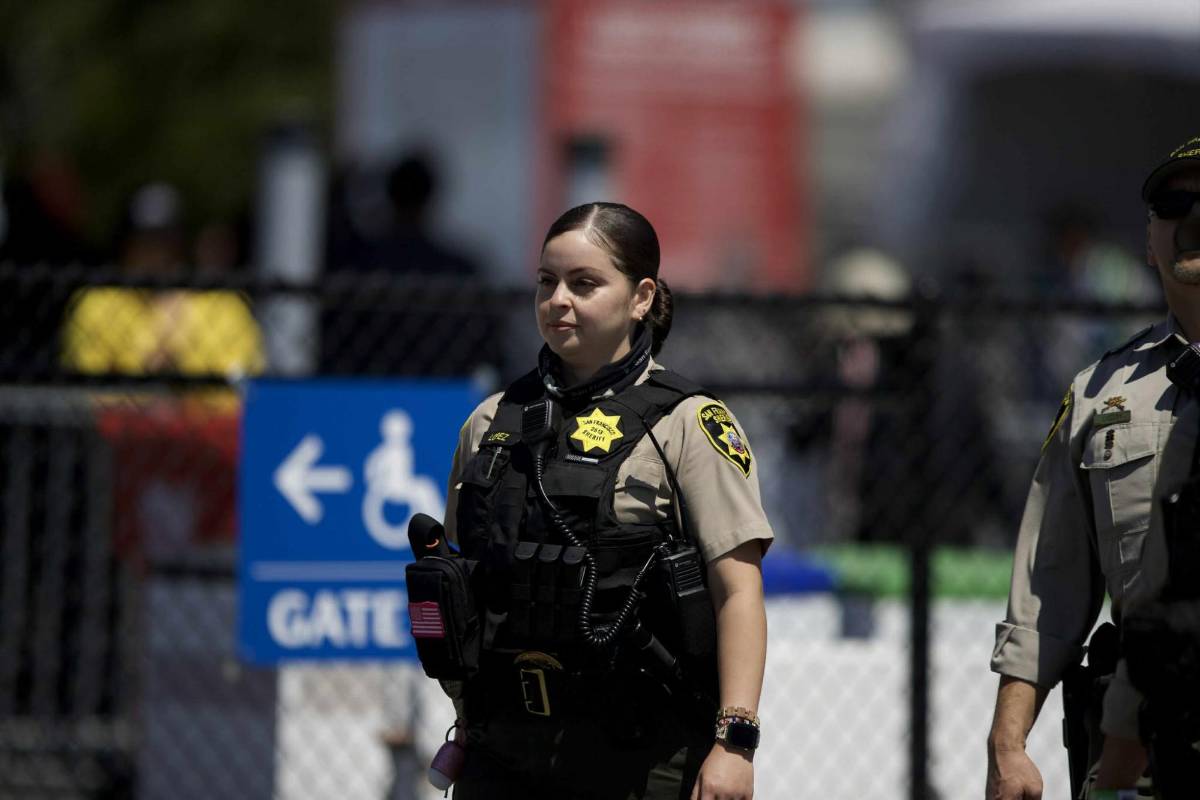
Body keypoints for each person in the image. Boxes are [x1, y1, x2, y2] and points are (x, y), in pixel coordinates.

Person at [433, 202, 771, 799]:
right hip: (504, 751)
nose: (558, 299)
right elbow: (471, 586)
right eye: (546, 281)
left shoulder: (688, 424)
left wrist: (734, 744)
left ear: (641, 297)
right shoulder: (491, 421)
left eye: (584, 283)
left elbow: (739, 592)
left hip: (641, 753)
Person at [986, 134, 1200, 799]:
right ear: (1148, 240)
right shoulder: (1101, 393)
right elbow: (1049, 586)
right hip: (1139, 756)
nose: (1192, 216)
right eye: (1173, 202)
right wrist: (1008, 745)